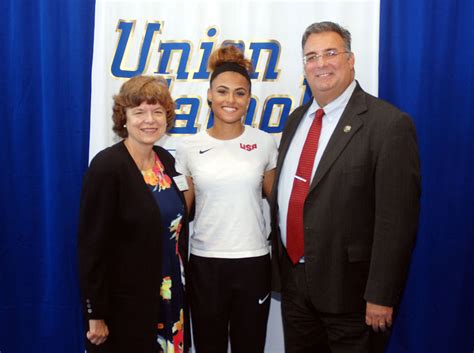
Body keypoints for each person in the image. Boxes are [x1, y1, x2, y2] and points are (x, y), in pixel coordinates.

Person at [270, 21, 421, 353]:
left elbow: (396, 223)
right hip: (296, 289)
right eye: (311, 56)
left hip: (353, 297)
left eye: (330, 53)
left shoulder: (388, 125)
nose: (321, 63)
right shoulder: (296, 120)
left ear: (351, 59)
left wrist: (381, 295)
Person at [175, 45, 277, 353]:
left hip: (254, 262)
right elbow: (181, 211)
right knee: (209, 347)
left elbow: (281, 203)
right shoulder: (189, 147)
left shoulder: (264, 143)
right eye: (222, 91)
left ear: (249, 99)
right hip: (205, 264)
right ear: (209, 95)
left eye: (239, 93)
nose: (230, 100)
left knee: (250, 346)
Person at [77, 75, 190, 353]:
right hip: (125, 307)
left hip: (170, 296)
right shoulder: (107, 166)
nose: (149, 119)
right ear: (123, 118)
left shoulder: (166, 160)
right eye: (139, 112)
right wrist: (95, 314)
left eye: (157, 111)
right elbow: (92, 249)